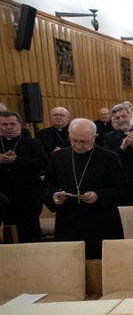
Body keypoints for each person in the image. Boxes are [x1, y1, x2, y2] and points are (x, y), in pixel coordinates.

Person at [42, 118, 125, 259]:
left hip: (101, 221)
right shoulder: (58, 157)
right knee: (69, 263)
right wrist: (54, 196)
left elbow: (123, 190)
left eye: (83, 141)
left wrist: (98, 196)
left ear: (95, 137)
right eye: (73, 140)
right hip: (68, 220)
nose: (78, 145)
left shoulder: (110, 158)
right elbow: (47, 185)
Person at [0, 110, 47, 242]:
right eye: (4, 124)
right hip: (3, 194)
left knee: (30, 231)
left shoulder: (33, 143)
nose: (8, 127)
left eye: (12, 124)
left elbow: (41, 164)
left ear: (19, 125)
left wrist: (15, 161)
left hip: (28, 194)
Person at [103, 103, 133, 205]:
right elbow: (107, 160)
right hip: (121, 185)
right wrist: (122, 148)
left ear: (130, 116)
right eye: (117, 118)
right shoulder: (109, 137)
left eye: (124, 116)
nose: (121, 120)